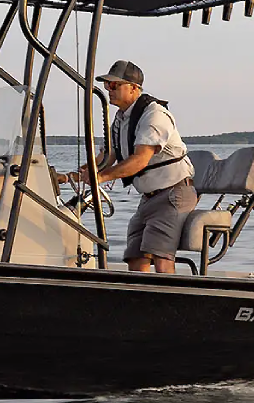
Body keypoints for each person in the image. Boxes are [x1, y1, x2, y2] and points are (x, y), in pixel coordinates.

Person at [57, 60, 197, 273]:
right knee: (135, 257)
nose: (109, 90)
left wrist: (100, 178)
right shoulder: (121, 120)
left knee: (161, 258)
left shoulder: (154, 115)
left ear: (133, 88)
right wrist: (68, 177)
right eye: (107, 85)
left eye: (114, 85)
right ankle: (140, 293)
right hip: (149, 198)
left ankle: (168, 294)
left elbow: (139, 160)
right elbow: (105, 159)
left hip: (174, 193)